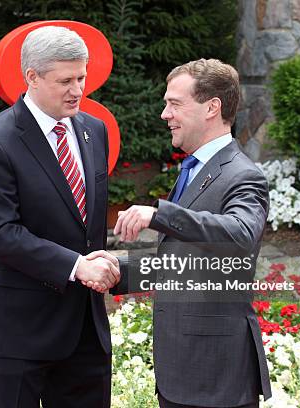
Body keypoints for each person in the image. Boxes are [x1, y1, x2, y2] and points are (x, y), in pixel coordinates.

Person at [0, 25, 120, 408]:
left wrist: (100, 259)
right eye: (65, 80)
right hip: (19, 329)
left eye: (81, 77)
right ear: (31, 77)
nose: (77, 90)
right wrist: (76, 266)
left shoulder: (94, 130)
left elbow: (84, 223)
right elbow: (0, 234)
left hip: (85, 328)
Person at [112, 59, 272, 408]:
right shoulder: (196, 168)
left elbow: (240, 235)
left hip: (216, 375)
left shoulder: (243, 175)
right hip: (182, 375)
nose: (164, 113)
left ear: (212, 107)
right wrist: (117, 270)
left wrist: (160, 214)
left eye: (175, 103)